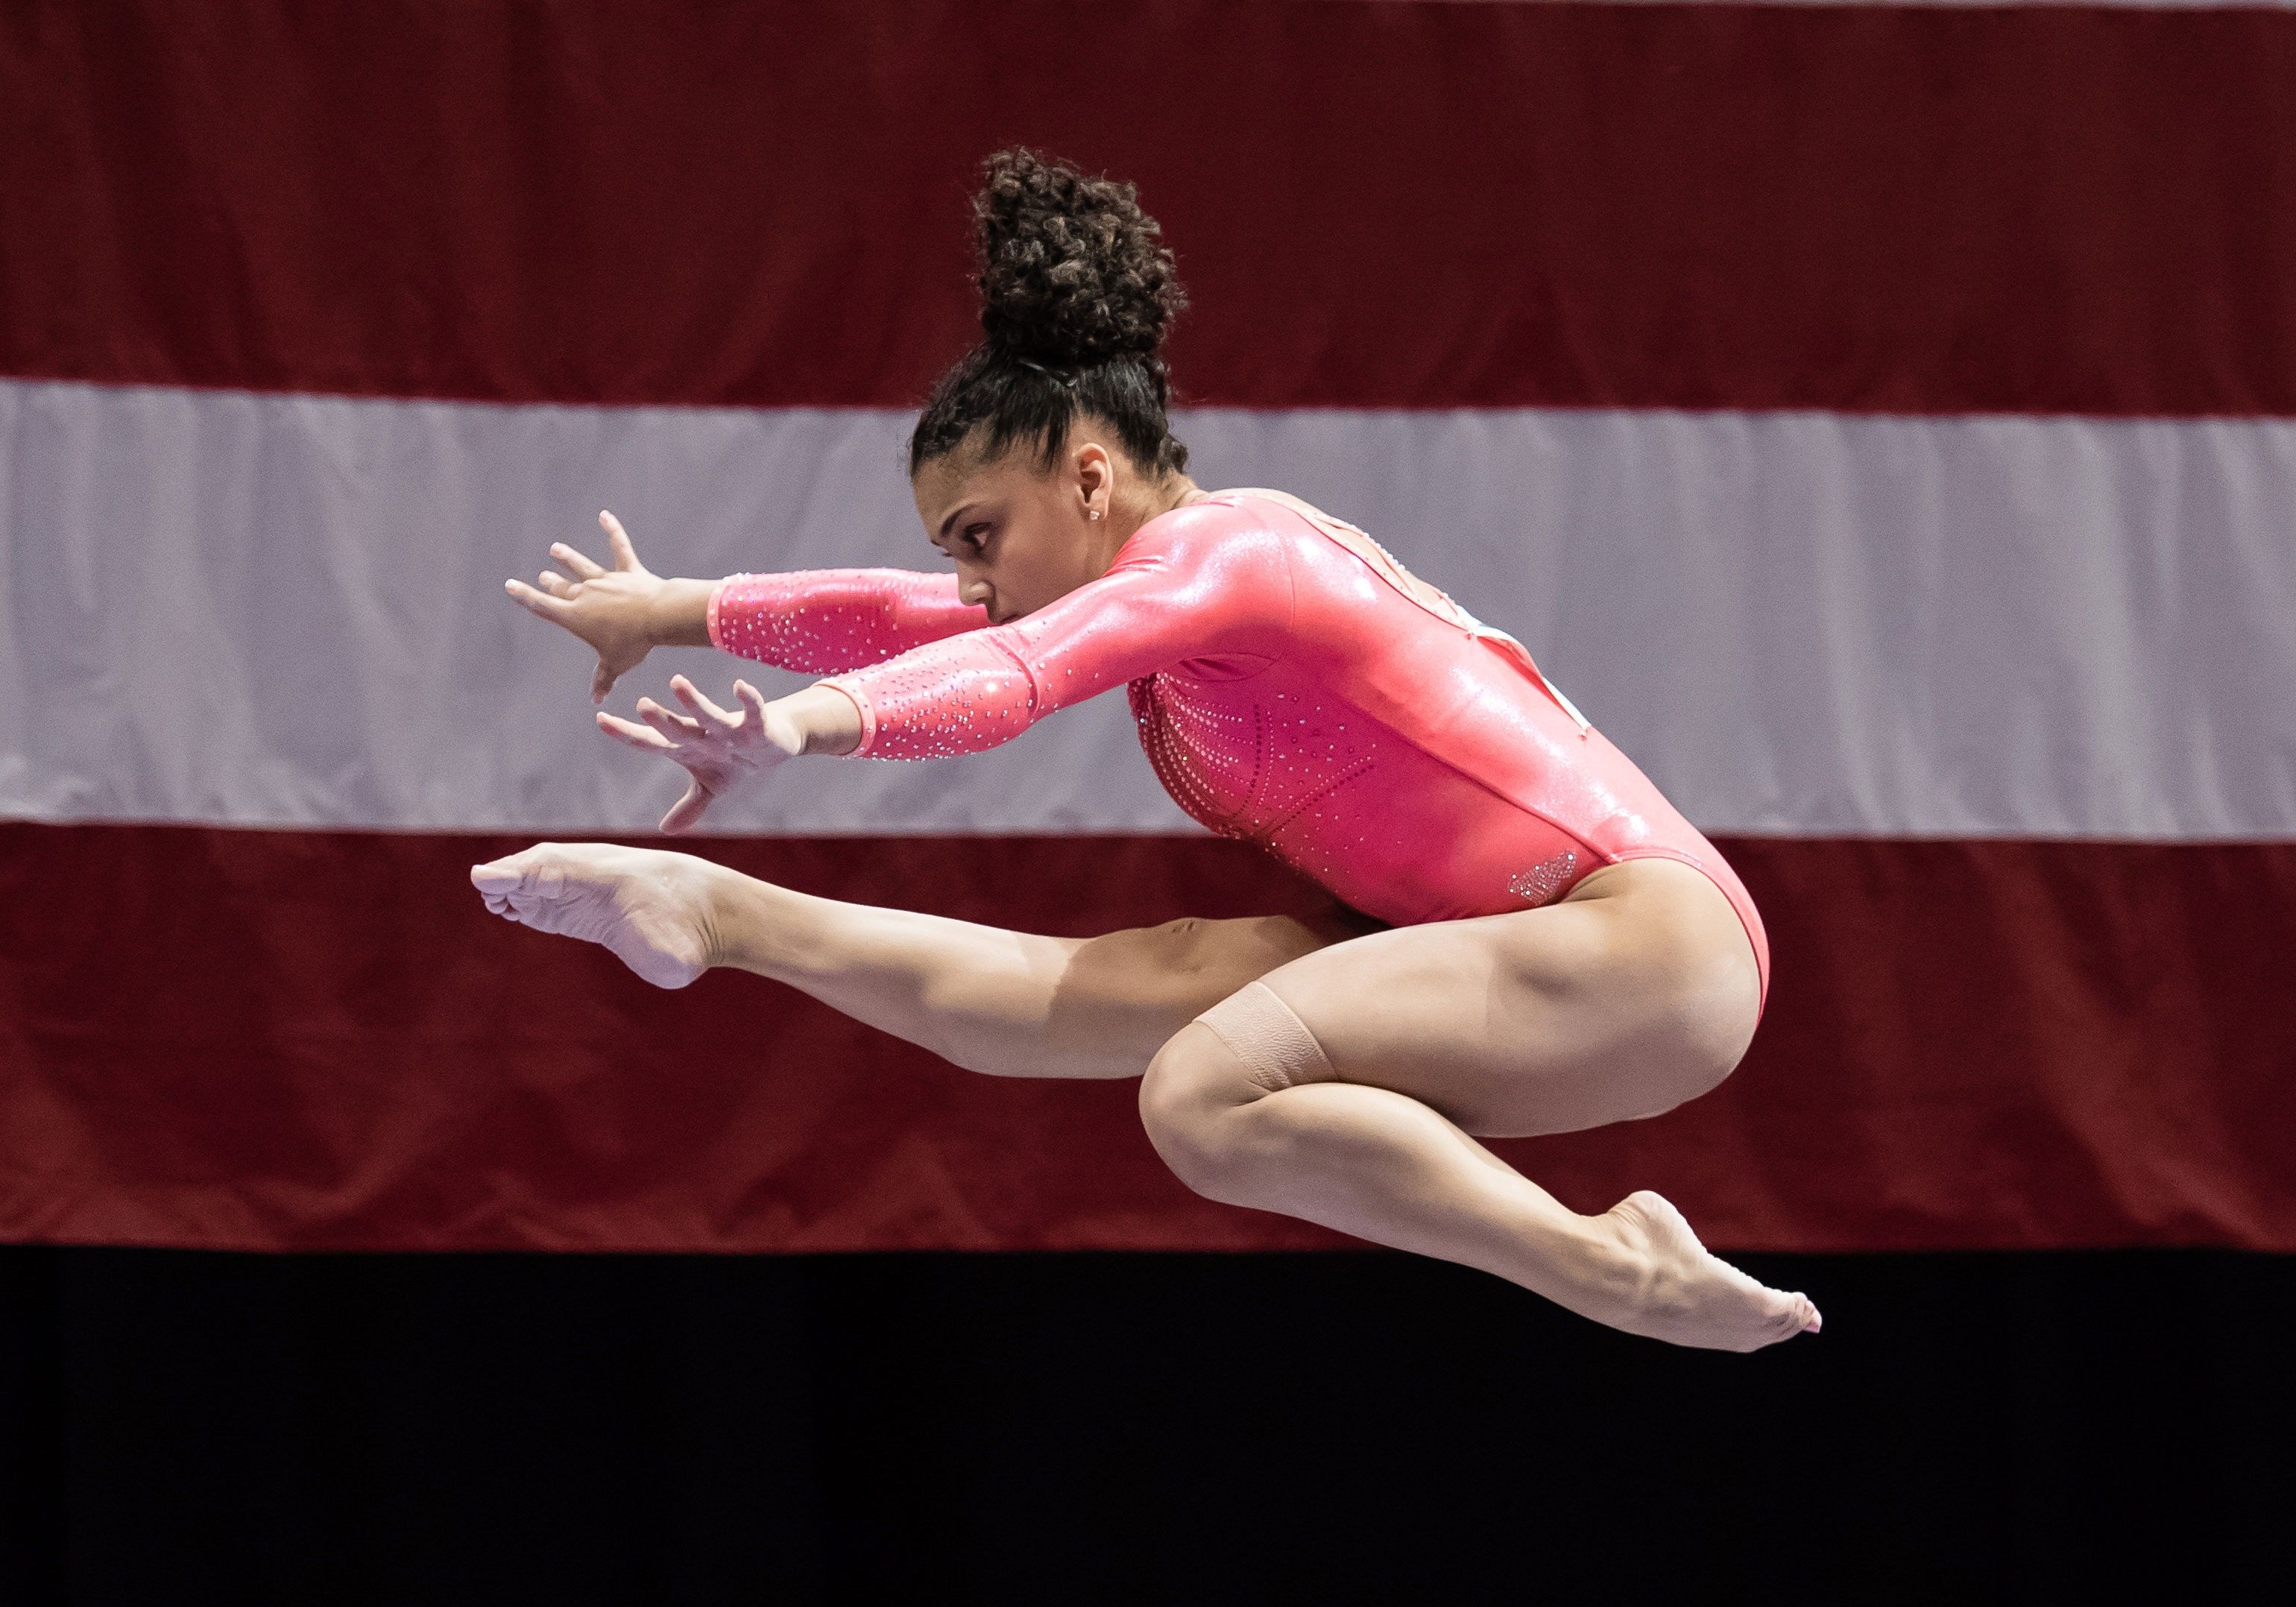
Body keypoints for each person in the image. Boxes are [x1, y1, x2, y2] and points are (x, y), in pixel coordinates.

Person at [477, 151, 1817, 1350]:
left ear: (1088, 475)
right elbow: (907, 615)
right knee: (1089, 1000)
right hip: (1498, 947)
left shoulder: (1231, 554)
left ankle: (1604, 1261)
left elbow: (1009, 670)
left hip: (1641, 944)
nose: (970, 581)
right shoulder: (1153, 594)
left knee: (1205, 1093)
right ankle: (718, 911)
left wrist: (791, 729)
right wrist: (673, 610)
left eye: (977, 535)